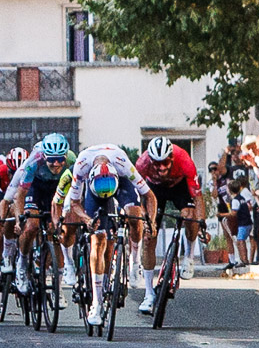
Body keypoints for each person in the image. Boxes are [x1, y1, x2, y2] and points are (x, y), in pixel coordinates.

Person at [63, 145, 154, 326]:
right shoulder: (82, 165)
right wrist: (87, 219)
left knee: (134, 214)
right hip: (94, 193)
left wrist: (151, 222)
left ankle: (135, 262)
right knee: (98, 241)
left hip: (119, 182)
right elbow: (74, 203)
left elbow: (150, 196)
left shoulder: (122, 163)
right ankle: (96, 304)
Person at [135, 136, 205, 314]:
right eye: (156, 163)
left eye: (165, 162)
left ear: (172, 158)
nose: (161, 167)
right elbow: (136, 196)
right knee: (149, 236)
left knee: (189, 215)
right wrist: (144, 215)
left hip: (179, 186)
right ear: (150, 160)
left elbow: (197, 196)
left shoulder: (184, 160)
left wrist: (201, 222)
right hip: (154, 190)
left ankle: (188, 256)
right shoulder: (142, 164)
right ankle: (148, 294)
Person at [12, 134, 76, 294]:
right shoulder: (34, 162)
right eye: (52, 160)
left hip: (57, 189)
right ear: (44, 156)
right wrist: (19, 220)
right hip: (36, 188)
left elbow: (76, 191)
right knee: (31, 226)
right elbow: (19, 195)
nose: (56, 164)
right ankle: (22, 262)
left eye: (60, 159)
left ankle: (58, 286)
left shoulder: (72, 161)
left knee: (55, 233)